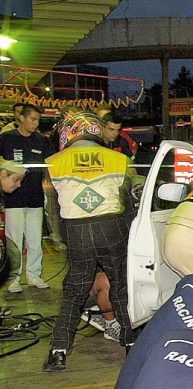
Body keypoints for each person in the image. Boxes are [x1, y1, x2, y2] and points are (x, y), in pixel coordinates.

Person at [43, 112, 136, 372]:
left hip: (76, 230)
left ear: (69, 132)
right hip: (111, 227)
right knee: (119, 286)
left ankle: (58, 352)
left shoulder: (54, 162)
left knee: (74, 291)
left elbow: (52, 209)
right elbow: (128, 205)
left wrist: (62, 239)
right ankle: (130, 344)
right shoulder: (118, 159)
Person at [0, 104, 55, 293]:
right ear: (21, 118)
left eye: (38, 120)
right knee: (14, 241)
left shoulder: (42, 140)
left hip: (35, 198)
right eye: (32, 119)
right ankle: (13, 278)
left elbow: (51, 164)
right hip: (13, 199)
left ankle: (34, 275)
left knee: (34, 240)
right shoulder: (6, 139)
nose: (35, 123)